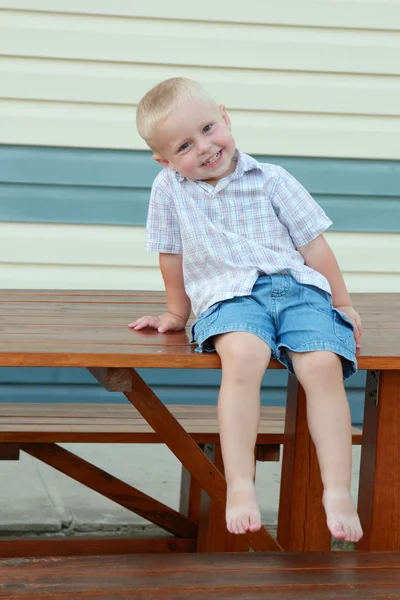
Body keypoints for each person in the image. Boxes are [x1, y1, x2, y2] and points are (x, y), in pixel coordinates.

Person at [129, 77, 363, 543]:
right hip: (229, 296)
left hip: (297, 290)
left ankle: (337, 489)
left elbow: (314, 248)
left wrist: (342, 303)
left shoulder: (273, 179)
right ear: (165, 160)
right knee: (244, 356)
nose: (205, 147)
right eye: (185, 145)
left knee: (322, 364)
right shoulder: (169, 190)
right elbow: (170, 253)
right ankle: (239, 483)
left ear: (225, 116)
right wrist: (177, 311)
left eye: (209, 128)